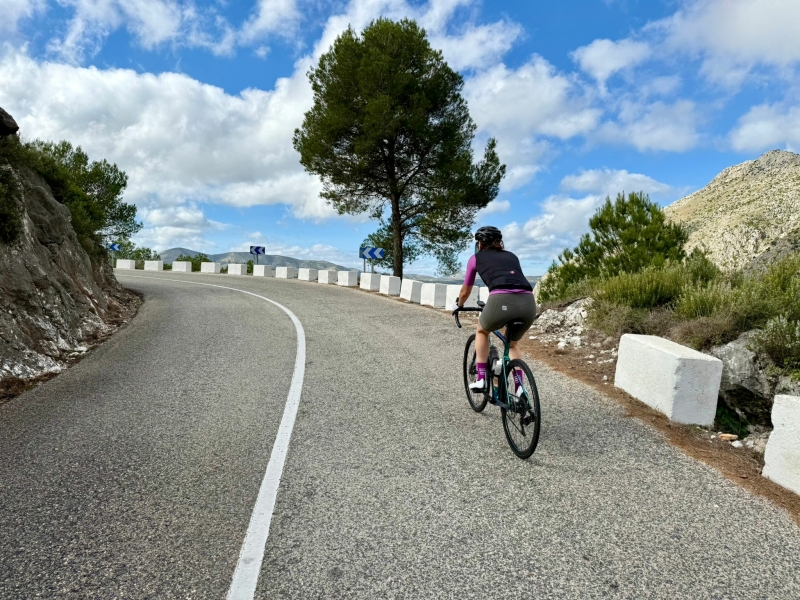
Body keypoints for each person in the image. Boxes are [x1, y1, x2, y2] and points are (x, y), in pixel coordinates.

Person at [452, 226, 537, 392]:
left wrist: (458, 305)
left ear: (480, 244)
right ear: (499, 242)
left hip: (501, 300)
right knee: (512, 345)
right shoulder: (512, 256)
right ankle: (520, 389)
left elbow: (465, 291)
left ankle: (482, 379)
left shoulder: (475, 258)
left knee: (482, 331)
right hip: (528, 303)